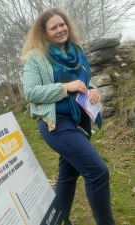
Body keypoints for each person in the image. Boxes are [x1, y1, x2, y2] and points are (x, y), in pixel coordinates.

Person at [21, 8, 115, 225]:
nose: (60, 29)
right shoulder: (36, 58)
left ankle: (58, 220)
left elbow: (83, 81)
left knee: (68, 175)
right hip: (57, 123)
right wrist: (66, 87)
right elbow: (31, 93)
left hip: (80, 121)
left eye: (62, 24)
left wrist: (93, 90)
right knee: (98, 171)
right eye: (53, 27)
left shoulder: (77, 52)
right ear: (44, 33)